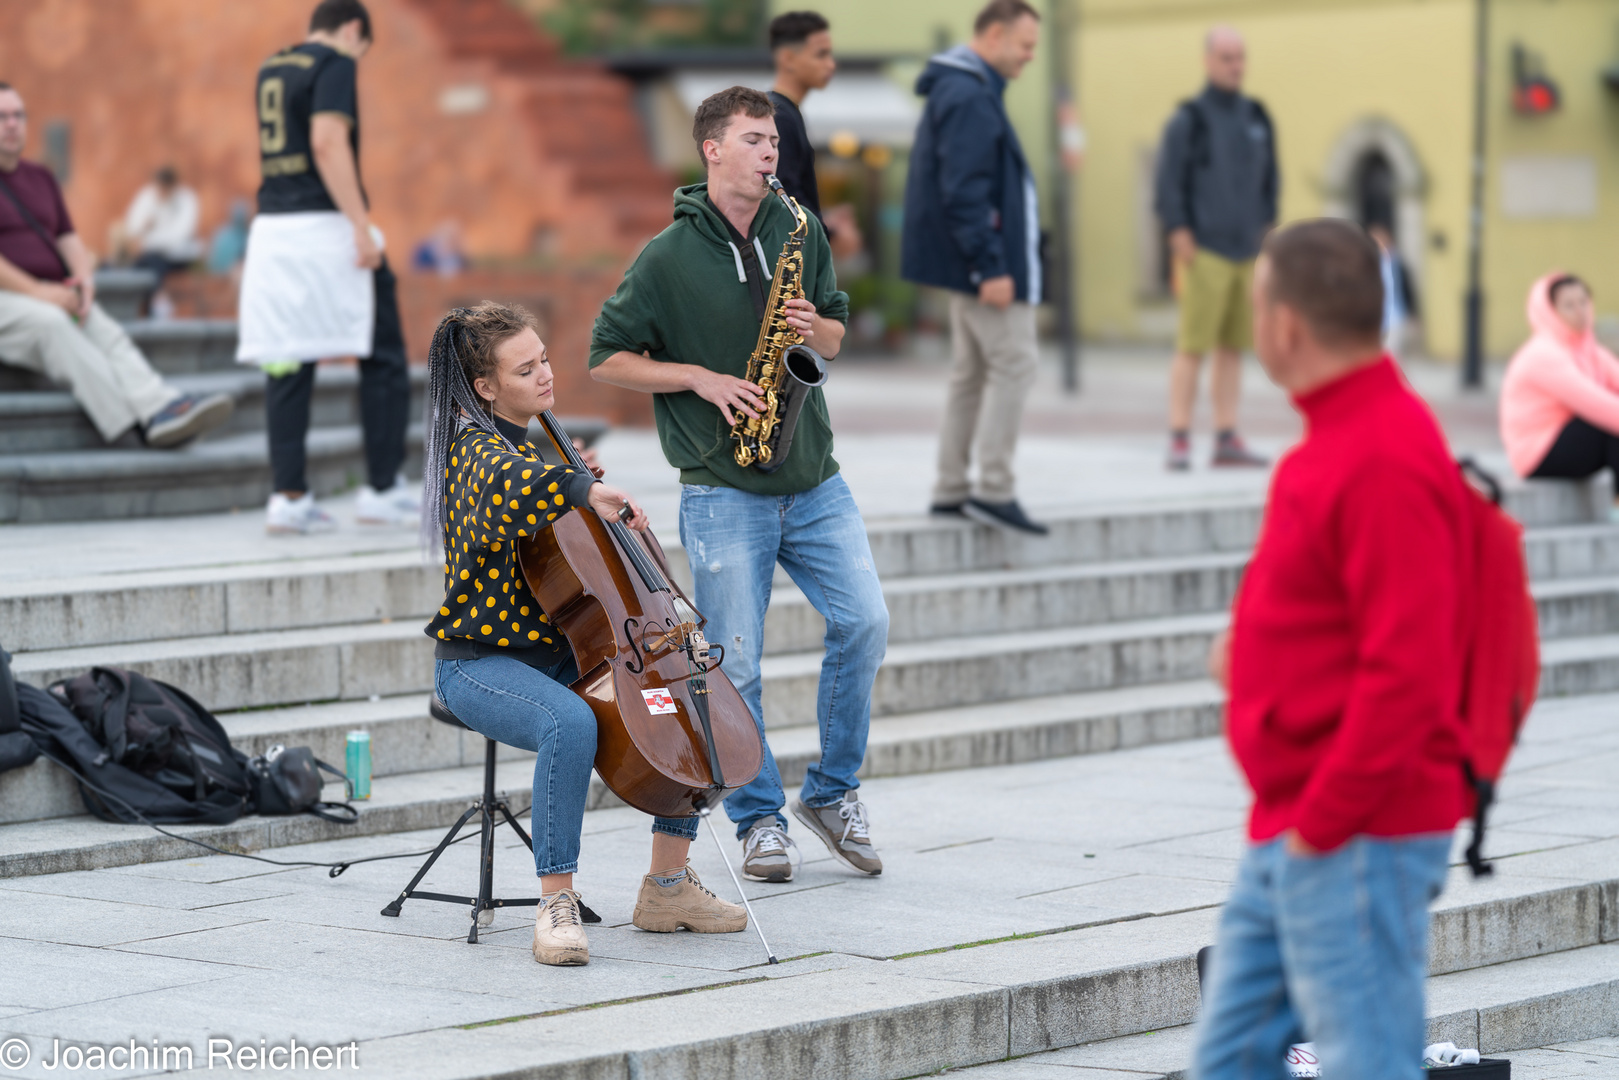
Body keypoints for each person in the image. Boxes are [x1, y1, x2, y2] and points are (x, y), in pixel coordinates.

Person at [590, 86, 888, 884]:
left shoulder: (801, 228)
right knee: (740, 667)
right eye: (754, 139)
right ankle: (759, 821)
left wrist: (813, 330)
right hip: (724, 489)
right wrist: (699, 378)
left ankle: (831, 794)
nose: (770, 153)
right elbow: (606, 356)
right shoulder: (665, 256)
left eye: (775, 142)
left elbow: (833, 331)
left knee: (866, 624)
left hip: (815, 479)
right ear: (711, 149)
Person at [1195, 220, 1469, 1080]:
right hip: (1299, 821)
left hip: (1349, 830)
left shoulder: (1381, 451)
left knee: (1369, 1063)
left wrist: (1321, 825)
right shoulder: (1339, 438)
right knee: (1233, 1058)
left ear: (1284, 325)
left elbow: (1413, 671)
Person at [423, 301, 748, 966]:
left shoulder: (534, 451)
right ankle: (555, 903)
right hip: (480, 664)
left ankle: (667, 887)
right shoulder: (474, 454)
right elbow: (506, 483)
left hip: (566, 654)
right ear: (485, 388)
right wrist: (574, 487)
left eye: (543, 358)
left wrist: (580, 491)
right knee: (568, 724)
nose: (545, 375)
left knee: (687, 699)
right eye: (525, 369)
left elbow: (549, 512)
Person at [236, 0, 416, 535]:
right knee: (382, 354)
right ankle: (382, 490)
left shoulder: (274, 65)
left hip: (273, 230)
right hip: (326, 229)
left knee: (287, 364)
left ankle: (288, 497)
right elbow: (326, 140)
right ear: (354, 30)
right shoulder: (335, 61)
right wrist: (361, 226)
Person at [0, 83, 232, 449]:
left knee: (104, 330)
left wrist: (85, 282)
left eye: (18, 116)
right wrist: (40, 293)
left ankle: (160, 410)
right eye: (3, 117)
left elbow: (67, 237)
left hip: (49, 291)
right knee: (52, 324)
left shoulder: (40, 177)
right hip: (11, 298)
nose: (12, 124)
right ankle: (129, 427)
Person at [902, 0, 1047, 535]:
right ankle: (993, 487)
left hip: (966, 265)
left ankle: (951, 488)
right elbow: (965, 192)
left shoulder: (965, 91)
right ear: (992, 37)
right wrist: (990, 266)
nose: (1030, 56)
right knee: (1015, 364)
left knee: (972, 375)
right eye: (1025, 44)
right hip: (983, 267)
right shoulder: (969, 95)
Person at [1154, 26, 1277, 471]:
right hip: (1203, 250)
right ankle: (1179, 435)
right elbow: (1168, 182)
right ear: (1208, 61)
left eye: (1240, 56)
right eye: (1226, 57)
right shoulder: (1189, 119)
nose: (1235, 65)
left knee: (1233, 348)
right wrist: (1178, 230)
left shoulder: (1256, 116)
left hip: (1247, 250)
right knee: (1193, 345)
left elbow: (1270, 183)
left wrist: (1268, 232)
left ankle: (1227, 436)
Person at [1500, 273, 1619, 522]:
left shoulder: (1590, 349)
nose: (1580, 311)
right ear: (1549, 312)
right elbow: (1597, 405)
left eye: (1583, 302)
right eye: (1568, 305)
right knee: (1609, 426)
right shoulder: (1543, 354)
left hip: (1568, 441)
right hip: (1537, 454)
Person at [117, 166, 202, 279]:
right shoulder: (147, 196)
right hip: (148, 256)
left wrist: (147, 242)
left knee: (154, 269)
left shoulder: (186, 199)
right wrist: (143, 227)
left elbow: (179, 236)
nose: (160, 192)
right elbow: (132, 227)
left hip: (177, 257)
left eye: (164, 189)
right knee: (132, 270)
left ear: (172, 186)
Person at [1368, 222, 1418, 358]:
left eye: (1381, 238)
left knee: (1392, 355)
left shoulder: (1397, 262)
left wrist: (1413, 312)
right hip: (1375, 317)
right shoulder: (1368, 262)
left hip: (1396, 316)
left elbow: (1407, 287)